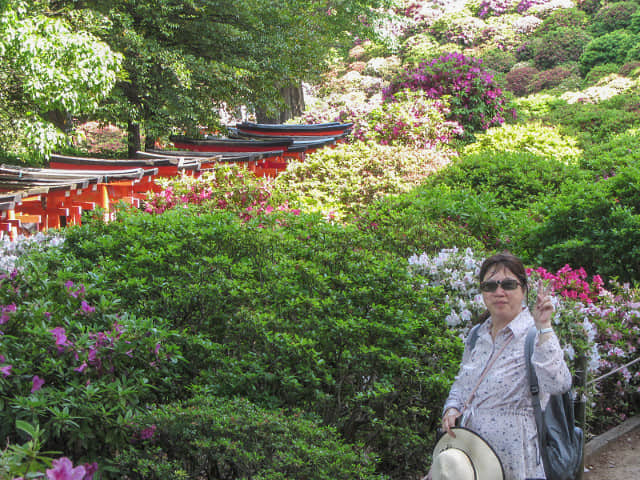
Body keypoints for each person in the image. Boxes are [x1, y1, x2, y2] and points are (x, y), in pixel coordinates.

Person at [435, 252, 573, 480]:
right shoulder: (476, 336)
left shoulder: (534, 335)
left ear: (523, 289)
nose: (498, 292)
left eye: (508, 284)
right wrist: (451, 409)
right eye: (490, 286)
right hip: (470, 456)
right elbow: (461, 386)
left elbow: (559, 383)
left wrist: (545, 327)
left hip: (517, 460)